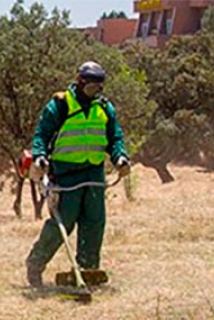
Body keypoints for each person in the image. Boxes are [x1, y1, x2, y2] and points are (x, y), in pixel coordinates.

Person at [25, 61, 132, 288]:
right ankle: (35, 264)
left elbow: (115, 138)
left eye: (99, 87)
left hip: (93, 173)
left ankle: (87, 270)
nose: (95, 91)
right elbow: (41, 135)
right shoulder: (61, 104)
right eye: (91, 86)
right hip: (66, 175)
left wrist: (120, 157)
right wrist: (40, 155)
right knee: (63, 223)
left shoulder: (104, 108)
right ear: (80, 81)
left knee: (94, 223)